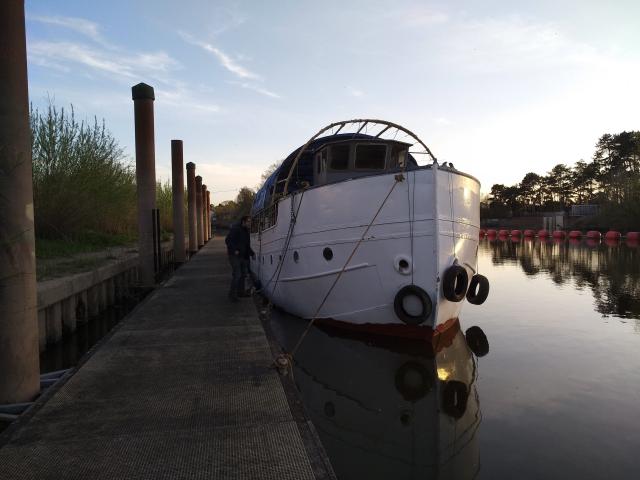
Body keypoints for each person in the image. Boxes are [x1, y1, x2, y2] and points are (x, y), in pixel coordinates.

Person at [225, 216, 255, 302]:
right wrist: (234, 250)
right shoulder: (236, 229)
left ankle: (241, 292)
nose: (250, 223)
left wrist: (252, 253)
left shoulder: (246, 231)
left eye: (250, 222)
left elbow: (246, 245)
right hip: (234, 256)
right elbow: (228, 240)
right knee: (237, 275)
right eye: (248, 222)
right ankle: (232, 295)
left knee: (243, 275)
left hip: (243, 256)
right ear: (243, 222)